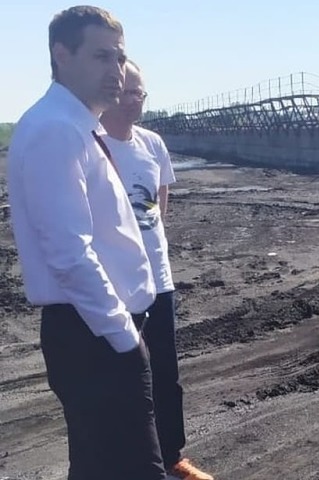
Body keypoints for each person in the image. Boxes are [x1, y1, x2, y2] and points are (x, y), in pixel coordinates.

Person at [7, 6, 166, 479]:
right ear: (62, 55)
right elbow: (69, 252)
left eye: (120, 58)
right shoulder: (56, 130)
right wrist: (124, 338)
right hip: (94, 335)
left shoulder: (76, 125)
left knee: (99, 467)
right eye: (101, 57)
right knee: (137, 469)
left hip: (96, 330)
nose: (116, 70)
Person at [100, 60, 214, 480]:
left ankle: (171, 458)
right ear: (110, 92)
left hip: (158, 282)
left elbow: (159, 207)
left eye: (140, 93)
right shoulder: (90, 145)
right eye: (127, 91)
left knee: (165, 377)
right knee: (119, 381)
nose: (134, 100)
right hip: (114, 287)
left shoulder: (152, 144)